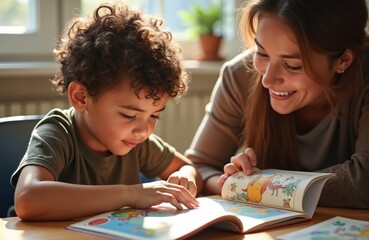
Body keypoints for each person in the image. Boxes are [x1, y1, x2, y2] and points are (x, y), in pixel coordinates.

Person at [10, 1, 202, 221]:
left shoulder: (135, 143)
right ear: (81, 97)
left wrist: (183, 178)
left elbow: (189, 168)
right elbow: (28, 199)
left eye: (154, 115)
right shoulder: (57, 132)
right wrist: (131, 194)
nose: (143, 130)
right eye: (129, 115)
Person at [185, 0, 369, 208]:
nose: (267, 80)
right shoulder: (239, 76)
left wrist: (264, 186)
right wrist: (236, 184)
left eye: (292, 65)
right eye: (262, 53)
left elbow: (364, 181)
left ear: (343, 60)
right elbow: (198, 167)